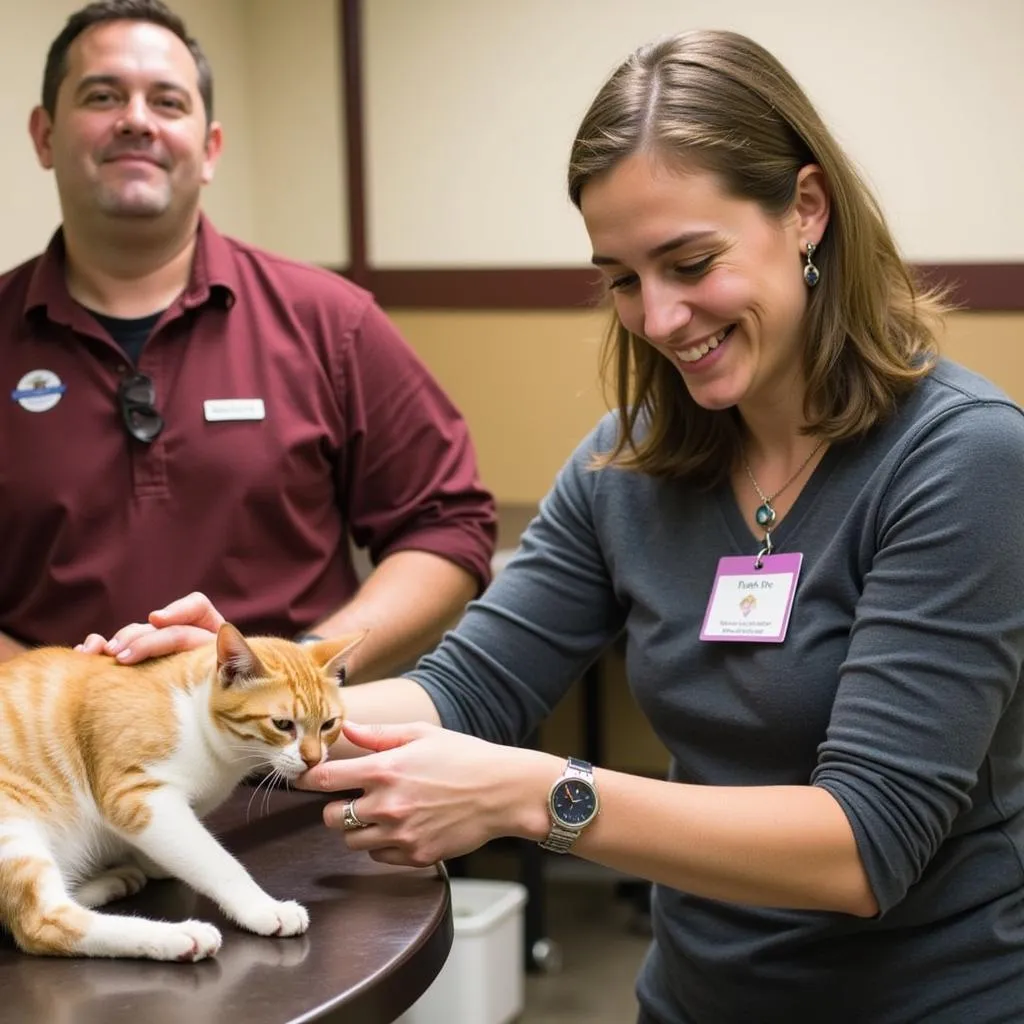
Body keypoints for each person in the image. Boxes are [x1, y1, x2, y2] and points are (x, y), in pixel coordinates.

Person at [84, 29, 1024, 1024]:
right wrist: (236, 698)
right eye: (621, 277)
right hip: (694, 997)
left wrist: (540, 797)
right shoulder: (631, 461)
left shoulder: (960, 461)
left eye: (689, 261)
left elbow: (864, 844)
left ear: (804, 209)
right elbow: (472, 687)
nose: (658, 319)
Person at [0, 0, 496, 679]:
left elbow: (447, 527)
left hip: (288, 774)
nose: (136, 120)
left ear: (209, 150)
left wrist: (296, 670)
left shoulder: (330, 322)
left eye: (168, 102)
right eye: (103, 95)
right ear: (45, 135)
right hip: (44, 771)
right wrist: (59, 702)